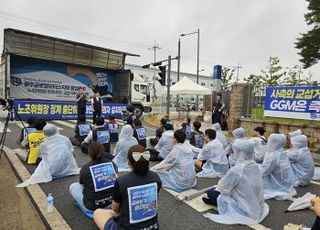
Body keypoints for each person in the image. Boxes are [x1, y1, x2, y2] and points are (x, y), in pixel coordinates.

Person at [93, 145, 162, 230]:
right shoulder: (156, 177)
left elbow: (115, 209)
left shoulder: (122, 181)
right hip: (153, 227)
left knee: (97, 212)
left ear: (129, 162)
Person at [202, 139, 269, 225]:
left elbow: (223, 188)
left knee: (211, 192)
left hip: (242, 206)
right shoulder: (254, 164)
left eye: (235, 151)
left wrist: (219, 186)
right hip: (255, 203)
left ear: (240, 152)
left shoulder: (237, 169)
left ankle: (215, 202)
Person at [70, 142, 118, 211]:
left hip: (94, 205)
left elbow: (82, 184)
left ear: (89, 154)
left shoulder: (85, 168)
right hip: (113, 201)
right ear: (103, 151)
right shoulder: (111, 163)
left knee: (73, 186)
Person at [259, 134, 296, 200]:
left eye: (270, 142)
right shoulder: (281, 151)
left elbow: (263, 171)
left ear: (275, 143)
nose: (268, 144)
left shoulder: (273, 155)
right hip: (287, 183)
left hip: (278, 185)